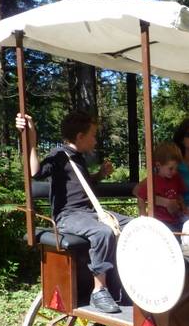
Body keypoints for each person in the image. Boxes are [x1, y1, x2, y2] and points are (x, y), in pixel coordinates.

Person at [16, 110, 130, 314]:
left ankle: (126, 280)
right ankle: (99, 290)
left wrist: (100, 175)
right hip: (68, 216)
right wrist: (31, 140)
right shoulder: (59, 155)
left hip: (88, 213)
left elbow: (81, 186)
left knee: (133, 224)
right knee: (102, 232)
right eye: (93, 135)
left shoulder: (78, 158)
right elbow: (36, 172)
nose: (95, 140)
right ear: (80, 136)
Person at [133, 142, 189, 232]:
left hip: (175, 220)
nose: (174, 171)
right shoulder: (152, 181)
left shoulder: (176, 178)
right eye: (171, 168)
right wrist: (143, 217)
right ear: (158, 165)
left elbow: (179, 195)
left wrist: (184, 208)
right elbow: (140, 196)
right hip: (159, 222)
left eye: (176, 168)